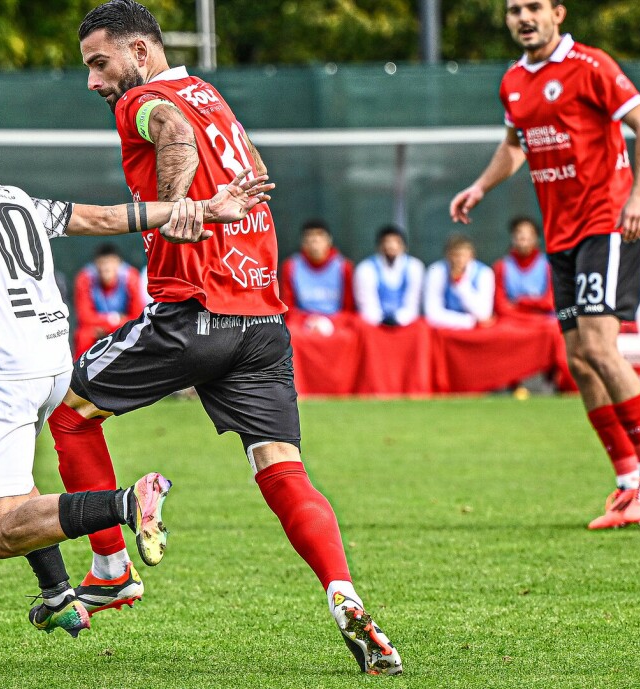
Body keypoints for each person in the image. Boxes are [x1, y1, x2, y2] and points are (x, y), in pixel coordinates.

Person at [58, 0, 402, 674]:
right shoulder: (211, 94)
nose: (94, 82)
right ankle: (343, 592)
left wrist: (180, 202)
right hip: (263, 323)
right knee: (280, 466)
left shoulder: (148, 99)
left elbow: (173, 132)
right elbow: (236, 163)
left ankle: (109, 565)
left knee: (70, 415)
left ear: (138, 51)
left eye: (99, 64)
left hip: (195, 313)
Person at [0, 104, 273, 636]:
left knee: (0, 531)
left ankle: (128, 502)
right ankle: (58, 593)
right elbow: (100, 217)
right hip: (51, 360)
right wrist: (202, 209)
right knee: (20, 489)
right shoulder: (7, 194)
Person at [449, 0, 640, 529]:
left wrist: (638, 197)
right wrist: (480, 187)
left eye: (533, 8)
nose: (523, 18)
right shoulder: (513, 82)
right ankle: (624, 481)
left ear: (557, 13)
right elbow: (515, 147)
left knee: (598, 345)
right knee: (578, 359)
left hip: (607, 222)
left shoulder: (592, 66)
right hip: (562, 234)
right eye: (513, 10)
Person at [279, 219, 354, 334]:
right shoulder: (290, 266)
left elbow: (349, 308)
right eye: (310, 238)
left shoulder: (344, 267)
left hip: (336, 324)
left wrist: (328, 323)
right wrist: (308, 322)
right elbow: (287, 307)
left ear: (329, 241)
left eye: (319, 237)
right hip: (302, 324)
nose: (315, 243)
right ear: (303, 243)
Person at [72, 243, 146, 356]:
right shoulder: (85, 278)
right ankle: (80, 371)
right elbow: (85, 318)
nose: (106, 267)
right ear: (96, 264)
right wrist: (115, 320)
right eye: (102, 263)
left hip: (123, 328)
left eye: (110, 262)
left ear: (118, 263)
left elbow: (137, 317)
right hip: (96, 329)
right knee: (83, 336)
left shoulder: (131, 277)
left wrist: (112, 327)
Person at [353, 224, 425, 328]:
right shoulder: (365, 268)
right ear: (379, 246)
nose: (391, 246)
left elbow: (413, 302)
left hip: (406, 324)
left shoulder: (415, 267)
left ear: (404, 246)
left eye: (396, 242)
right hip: (375, 325)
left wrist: (398, 319)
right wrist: (382, 320)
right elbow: (367, 304)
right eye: (387, 242)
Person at [423, 234, 496, 330]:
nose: (459, 260)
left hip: (476, 331)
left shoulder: (485, 273)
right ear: (447, 255)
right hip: (446, 329)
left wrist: (460, 283)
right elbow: (432, 314)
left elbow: (484, 314)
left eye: (464, 255)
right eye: (455, 255)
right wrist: (469, 321)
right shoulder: (436, 271)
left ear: (472, 255)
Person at [494, 216, 555, 318]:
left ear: (536, 238)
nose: (524, 237)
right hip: (513, 321)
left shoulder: (548, 265)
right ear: (513, 238)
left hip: (544, 320)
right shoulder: (501, 266)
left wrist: (520, 302)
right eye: (519, 232)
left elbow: (550, 303)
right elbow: (500, 306)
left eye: (529, 233)